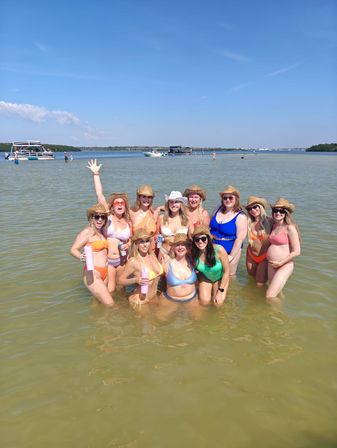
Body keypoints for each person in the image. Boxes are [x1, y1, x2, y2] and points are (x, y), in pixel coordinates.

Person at [86, 160, 132, 292]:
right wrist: (96, 174)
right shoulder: (108, 218)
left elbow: (131, 239)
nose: (119, 204)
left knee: (122, 289)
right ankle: (105, 312)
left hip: (123, 260)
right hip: (109, 261)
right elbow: (99, 195)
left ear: (125, 206)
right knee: (110, 290)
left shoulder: (128, 221)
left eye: (122, 203)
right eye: (116, 202)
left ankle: (120, 313)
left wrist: (128, 244)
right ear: (112, 206)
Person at [70, 204, 113, 306]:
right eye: (97, 216)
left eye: (103, 217)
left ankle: (95, 321)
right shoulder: (87, 232)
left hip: (104, 272)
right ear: (91, 218)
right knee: (110, 304)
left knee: (98, 303)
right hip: (93, 273)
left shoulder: (100, 232)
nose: (100, 220)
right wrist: (81, 257)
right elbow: (73, 249)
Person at [157, 233, 202, 320]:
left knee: (199, 321)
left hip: (191, 300)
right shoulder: (166, 262)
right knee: (160, 320)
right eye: (177, 245)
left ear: (188, 248)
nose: (180, 247)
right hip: (171, 300)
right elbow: (155, 275)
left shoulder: (193, 261)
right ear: (173, 247)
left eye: (183, 245)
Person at [117, 228, 163, 310]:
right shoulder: (133, 261)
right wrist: (135, 280)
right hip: (140, 300)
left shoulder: (152, 256)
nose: (145, 245)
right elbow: (120, 281)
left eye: (147, 241)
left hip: (153, 297)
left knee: (158, 321)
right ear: (136, 244)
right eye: (141, 242)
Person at [266, 198, 301, 300]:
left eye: (281, 211)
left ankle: (276, 315)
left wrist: (280, 263)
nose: (278, 213)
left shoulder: (290, 228)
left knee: (270, 296)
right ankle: (278, 315)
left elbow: (297, 251)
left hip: (284, 265)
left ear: (286, 213)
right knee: (277, 293)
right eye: (275, 211)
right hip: (271, 264)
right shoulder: (274, 225)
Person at [210, 185, 247, 275]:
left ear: (236, 199)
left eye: (231, 197)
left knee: (229, 276)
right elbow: (210, 227)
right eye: (225, 198)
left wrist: (231, 256)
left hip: (230, 249)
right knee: (212, 275)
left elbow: (239, 239)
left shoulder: (240, 216)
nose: (227, 200)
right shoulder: (217, 209)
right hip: (213, 247)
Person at [191, 225, 230, 307]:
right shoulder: (194, 253)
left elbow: (227, 272)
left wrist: (220, 291)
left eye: (203, 238)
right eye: (197, 239)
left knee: (217, 304)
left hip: (220, 278)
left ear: (208, 238)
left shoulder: (219, 250)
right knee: (204, 302)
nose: (200, 242)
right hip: (205, 278)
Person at [157, 191, 193, 261]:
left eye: (176, 202)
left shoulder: (187, 219)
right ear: (168, 204)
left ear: (181, 204)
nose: (173, 204)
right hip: (164, 252)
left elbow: (192, 239)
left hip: (182, 254)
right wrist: (163, 240)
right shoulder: (162, 218)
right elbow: (158, 236)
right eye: (171, 202)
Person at [244, 196, 272, 286]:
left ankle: (262, 298)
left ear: (261, 207)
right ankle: (250, 299)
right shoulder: (248, 222)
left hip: (264, 257)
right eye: (249, 208)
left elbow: (284, 228)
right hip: (251, 255)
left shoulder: (270, 221)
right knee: (251, 280)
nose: (252, 210)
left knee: (260, 283)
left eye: (255, 207)